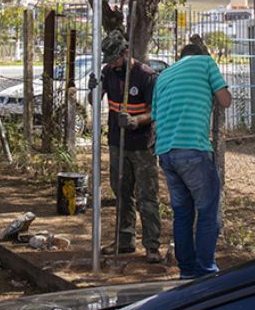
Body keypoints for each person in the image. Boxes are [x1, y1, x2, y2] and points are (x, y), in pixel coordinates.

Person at [151, 42, 231, 279]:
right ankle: (206, 270)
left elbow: (155, 120)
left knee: (182, 213)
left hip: (166, 152)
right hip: (193, 149)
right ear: (199, 55)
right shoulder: (206, 62)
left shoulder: (163, 75)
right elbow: (225, 100)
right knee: (207, 211)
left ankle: (186, 271)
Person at [97, 30, 163, 263]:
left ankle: (152, 245)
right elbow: (95, 100)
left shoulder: (146, 76)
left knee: (147, 195)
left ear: (126, 53)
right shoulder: (108, 72)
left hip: (142, 145)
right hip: (117, 143)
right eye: (110, 60)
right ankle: (125, 240)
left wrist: (137, 121)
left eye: (116, 58)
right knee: (122, 193)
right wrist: (93, 89)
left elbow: (156, 111)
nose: (113, 64)